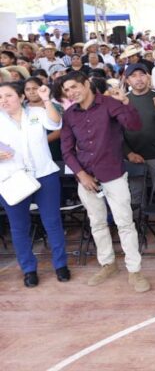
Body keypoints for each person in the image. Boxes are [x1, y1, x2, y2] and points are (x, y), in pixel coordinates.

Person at [60, 71, 151, 293]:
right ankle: (108, 264)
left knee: (125, 223)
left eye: (74, 87)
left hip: (114, 175)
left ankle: (134, 270)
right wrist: (81, 175)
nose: (72, 93)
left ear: (86, 84)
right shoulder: (70, 114)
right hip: (86, 178)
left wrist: (125, 102)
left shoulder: (110, 103)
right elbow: (67, 150)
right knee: (97, 223)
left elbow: (134, 125)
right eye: (67, 90)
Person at [0, 82, 69, 287]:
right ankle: (29, 269)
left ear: (21, 97)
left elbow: (56, 123)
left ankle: (61, 265)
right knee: (19, 227)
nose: (3, 100)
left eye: (8, 95)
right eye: (0, 97)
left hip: (44, 174)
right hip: (12, 178)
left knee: (52, 222)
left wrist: (47, 99)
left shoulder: (37, 113)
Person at [122, 63, 155, 239]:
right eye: (133, 76)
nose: (138, 78)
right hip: (132, 156)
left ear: (148, 77)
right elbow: (115, 132)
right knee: (135, 194)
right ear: (128, 80)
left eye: (142, 74)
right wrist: (128, 153)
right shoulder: (123, 100)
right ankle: (138, 227)